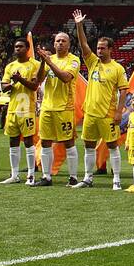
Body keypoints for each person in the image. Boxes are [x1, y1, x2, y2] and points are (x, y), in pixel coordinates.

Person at [72, 11, 128, 189]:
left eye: (103, 48)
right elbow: (83, 44)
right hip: (90, 113)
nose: (99, 50)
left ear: (111, 49)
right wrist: (79, 25)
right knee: (88, 145)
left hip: (107, 114)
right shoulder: (93, 63)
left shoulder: (117, 68)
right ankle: (88, 178)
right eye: (98, 48)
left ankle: (116, 179)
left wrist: (119, 112)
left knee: (112, 146)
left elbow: (124, 90)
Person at [33, 33, 80, 187]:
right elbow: (38, 80)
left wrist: (49, 61)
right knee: (45, 142)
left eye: (63, 41)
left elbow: (65, 77)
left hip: (64, 108)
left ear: (69, 44)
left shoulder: (73, 60)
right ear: (54, 44)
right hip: (47, 107)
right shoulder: (49, 59)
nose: (60, 43)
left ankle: (73, 177)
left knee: (68, 142)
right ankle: (46, 177)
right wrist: (42, 62)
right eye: (57, 41)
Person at [0, 38, 40, 184]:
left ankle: (31, 175)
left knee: (29, 141)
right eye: (16, 46)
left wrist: (21, 79)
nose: (18, 49)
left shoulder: (35, 65)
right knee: (13, 141)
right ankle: (14, 175)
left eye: (21, 46)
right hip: (12, 109)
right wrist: (13, 82)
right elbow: (4, 87)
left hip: (27, 109)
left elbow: (34, 86)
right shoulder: (10, 66)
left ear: (27, 48)